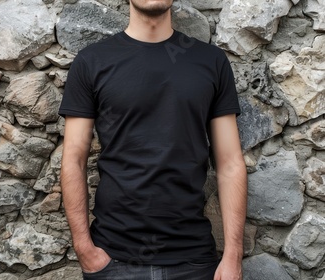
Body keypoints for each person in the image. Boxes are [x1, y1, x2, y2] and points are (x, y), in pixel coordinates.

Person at [58, 0, 247, 279]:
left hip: (194, 259)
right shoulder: (92, 61)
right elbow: (73, 158)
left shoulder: (211, 61)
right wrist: (84, 248)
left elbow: (230, 163)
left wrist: (233, 256)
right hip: (113, 259)